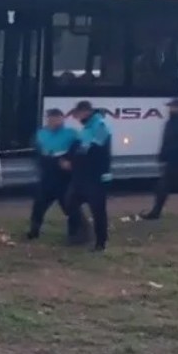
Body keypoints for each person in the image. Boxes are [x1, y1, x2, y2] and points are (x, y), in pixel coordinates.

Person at [142, 98, 178, 224]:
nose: (171, 109)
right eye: (170, 107)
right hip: (171, 163)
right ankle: (156, 212)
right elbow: (166, 142)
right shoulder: (169, 123)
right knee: (161, 189)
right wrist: (162, 156)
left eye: (173, 107)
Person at [65, 101, 113, 251]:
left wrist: (76, 159)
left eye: (78, 114)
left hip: (95, 176)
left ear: (86, 112)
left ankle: (100, 242)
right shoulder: (86, 127)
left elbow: (96, 151)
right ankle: (82, 233)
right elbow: (79, 147)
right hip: (82, 176)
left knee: (98, 211)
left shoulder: (100, 126)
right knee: (70, 203)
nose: (77, 118)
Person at [26, 109, 78, 241]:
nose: (55, 121)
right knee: (39, 205)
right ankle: (34, 231)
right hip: (48, 175)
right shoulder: (40, 134)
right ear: (48, 119)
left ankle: (75, 234)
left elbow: (79, 151)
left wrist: (71, 162)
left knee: (70, 207)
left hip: (64, 177)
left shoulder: (71, 134)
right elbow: (36, 153)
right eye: (52, 119)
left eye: (58, 118)